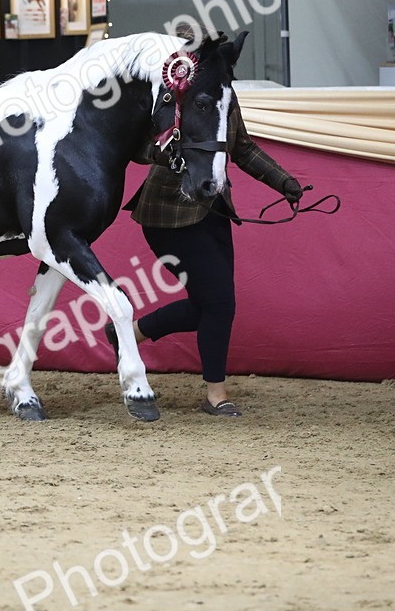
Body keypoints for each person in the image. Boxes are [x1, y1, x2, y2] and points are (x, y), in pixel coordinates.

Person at [108, 28, 305, 418]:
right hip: (168, 214)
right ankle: (216, 394)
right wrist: (167, 154)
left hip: (213, 209)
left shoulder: (221, 98)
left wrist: (283, 181)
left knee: (213, 306)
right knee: (219, 303)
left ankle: (130, 334)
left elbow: (243, 148)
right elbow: (137, 149)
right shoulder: (169, 94)